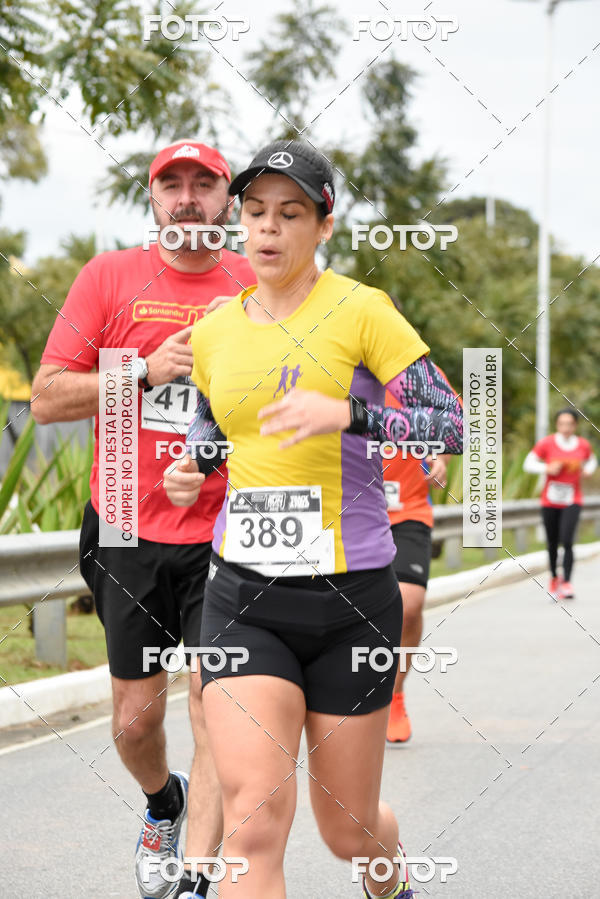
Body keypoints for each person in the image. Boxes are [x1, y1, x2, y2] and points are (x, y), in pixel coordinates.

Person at [164, 139, 462, 898]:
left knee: (348, 829)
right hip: (243, 597)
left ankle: (390, 876)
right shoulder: (214, 331)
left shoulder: (363, 311)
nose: (268, 228)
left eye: (290, 213)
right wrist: (192, 465)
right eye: (255, 212)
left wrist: (350, 415)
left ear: (324, 225)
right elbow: (215, 425)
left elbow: (452, 425)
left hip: (350, 602)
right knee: (254, 821)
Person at [30, 140, 253, 899]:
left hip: (228, 529)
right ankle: (164, 803)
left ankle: (197, 876)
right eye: (172, 185)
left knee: (215, 705)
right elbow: (46, 397)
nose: (187, 198)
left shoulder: (256, 284)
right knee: (133, 720)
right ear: (154, 200)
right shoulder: (109, 276)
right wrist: (142, 370)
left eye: (204, 184)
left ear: (227, 200)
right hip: (125, 522)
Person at [382, 381, 457, 744]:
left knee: (409, 605)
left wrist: (440, 458)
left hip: (407, 509)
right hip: (346, 510)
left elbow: (451, 421)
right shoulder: (336, 365)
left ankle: (395, 695)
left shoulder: (416, 375)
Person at [523, 408, 596, 600]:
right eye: (562, 424)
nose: (565, 428)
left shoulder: (582, 445)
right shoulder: (547, 443)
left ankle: (567, 582)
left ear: (575, 425)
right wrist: (546, 467)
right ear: (557, 425)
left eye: (569, 424)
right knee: (552, 542)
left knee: (568, 539)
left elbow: (592, 461)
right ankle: (555, 578)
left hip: (572, 499)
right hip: (550, 500)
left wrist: (588, 470)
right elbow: (528, 464)